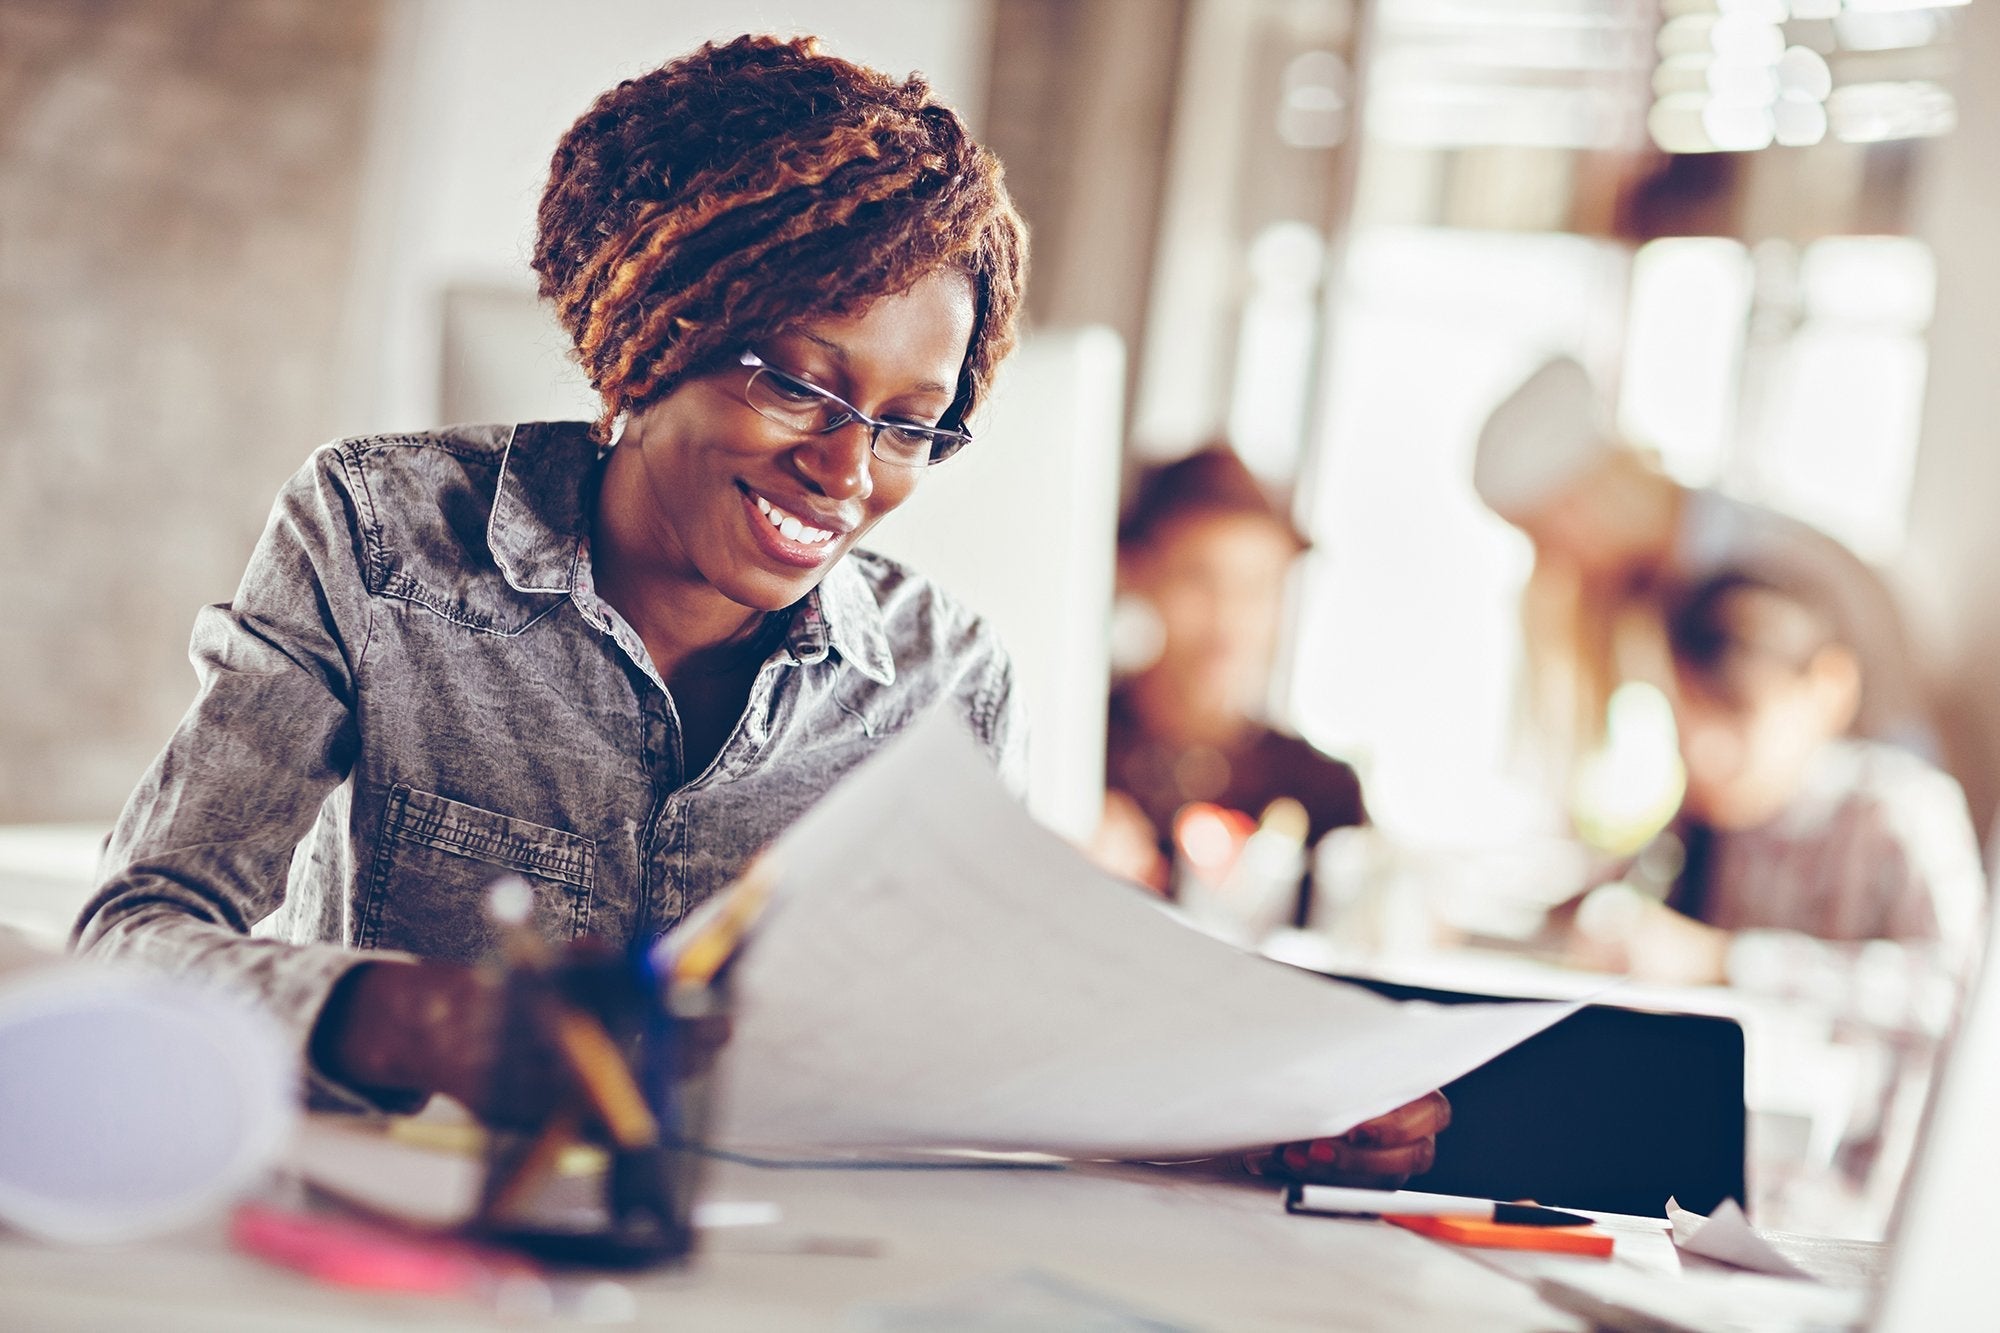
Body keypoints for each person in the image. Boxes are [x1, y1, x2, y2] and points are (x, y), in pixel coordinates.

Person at [73, 36, 1444, 1185]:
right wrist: (412, 1016)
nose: (848, 473)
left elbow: (984, 1073)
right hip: (402, 1243)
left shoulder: (948, 678)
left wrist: (1251, 1122)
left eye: (911, 428)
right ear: (650, 340)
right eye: (796, 383)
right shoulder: (380, 543)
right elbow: (133, 940)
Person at [1473, 356, 1937, 804]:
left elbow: (1907, 761)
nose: (1554, 562)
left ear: (1593, 498)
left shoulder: (1789, 569)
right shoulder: (1641, 600)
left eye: (1549, 534)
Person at [1563, 570, 1984, 997]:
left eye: (1739, 716)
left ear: (1829, 690)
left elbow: (1960, 988)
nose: (1709, 755)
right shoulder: (1698, 822)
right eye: (1690, 720)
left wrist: (1728, 961)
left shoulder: (1902, 805)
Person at [1092, 445, 1366, 929]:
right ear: (1136, 573)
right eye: (1200, 580)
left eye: (1257, 587)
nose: (1228, 620)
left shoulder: (1324, 792)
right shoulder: (1081, 755)